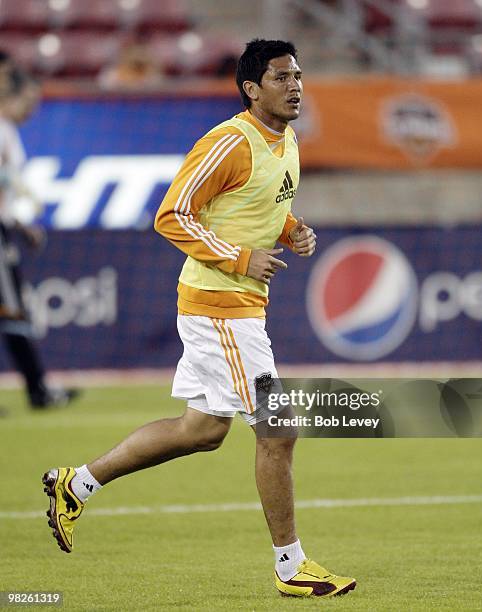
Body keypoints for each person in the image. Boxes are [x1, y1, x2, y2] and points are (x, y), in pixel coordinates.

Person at [42, 39, 356, 598]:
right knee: (278, 431)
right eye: (281, 77)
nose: (295, 86)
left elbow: (258, 206)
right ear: (251, 89)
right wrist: (240, 258)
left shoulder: (285, 141)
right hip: (219, 306)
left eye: (299, 75)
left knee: (202, 431)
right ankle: (292, 567)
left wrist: (291, 230)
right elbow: (171, 215)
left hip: (240, 308)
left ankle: (77, 484)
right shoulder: (228, 141)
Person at [0, 65, 79, 409]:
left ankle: (38, 388)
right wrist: (18, 222)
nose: (33, 108)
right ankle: (38, 390)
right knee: (13, 312)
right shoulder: (2, 132)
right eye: (29, 100)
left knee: (13, 311)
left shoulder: (9, 132)